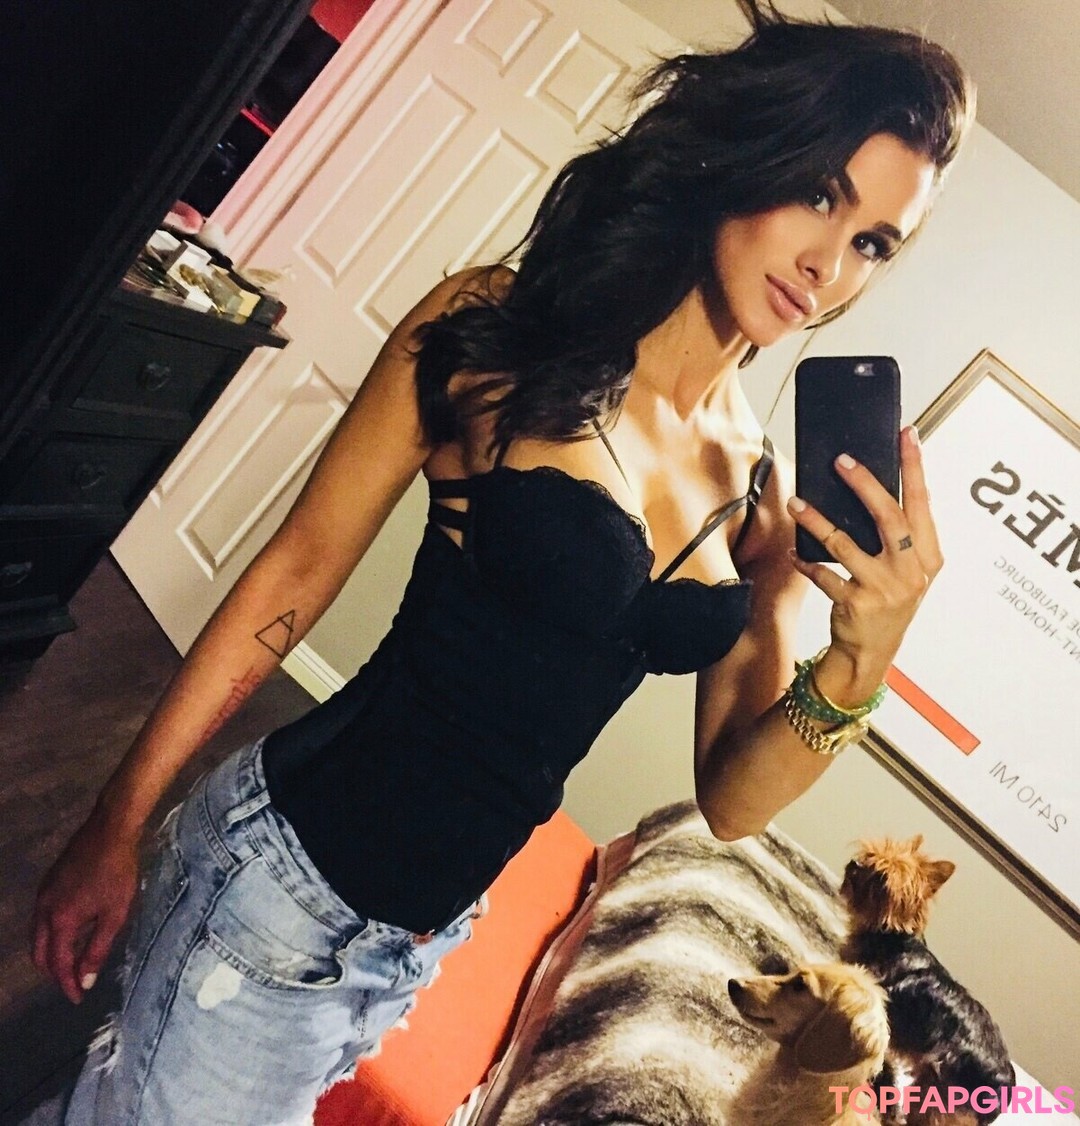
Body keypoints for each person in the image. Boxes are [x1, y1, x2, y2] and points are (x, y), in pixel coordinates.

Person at [32, 2, 974, 1121]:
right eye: (821, 193)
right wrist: (119, 818)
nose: (829, 264)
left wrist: (862, 659)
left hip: (418, 940)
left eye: (873, 243)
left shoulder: (758, 490)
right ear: (747, 156)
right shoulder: (500, 332)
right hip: (282, 888)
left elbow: (732, 799)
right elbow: (296, 571)